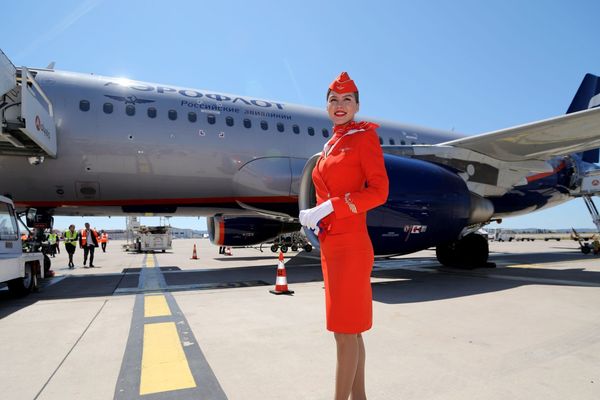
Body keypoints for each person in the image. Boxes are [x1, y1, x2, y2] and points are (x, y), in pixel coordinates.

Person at [299, 72, 389, 400]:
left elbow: (379, 191)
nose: (340, 105)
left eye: (347, 100)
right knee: (351, 332)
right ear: (326, 106)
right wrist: (317, 217)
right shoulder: (333, 142)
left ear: (357, 105)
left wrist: (332, 207)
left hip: (351, 245)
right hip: (332, 245)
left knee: (344, 333)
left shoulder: (363, 138)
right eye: (334, 100)